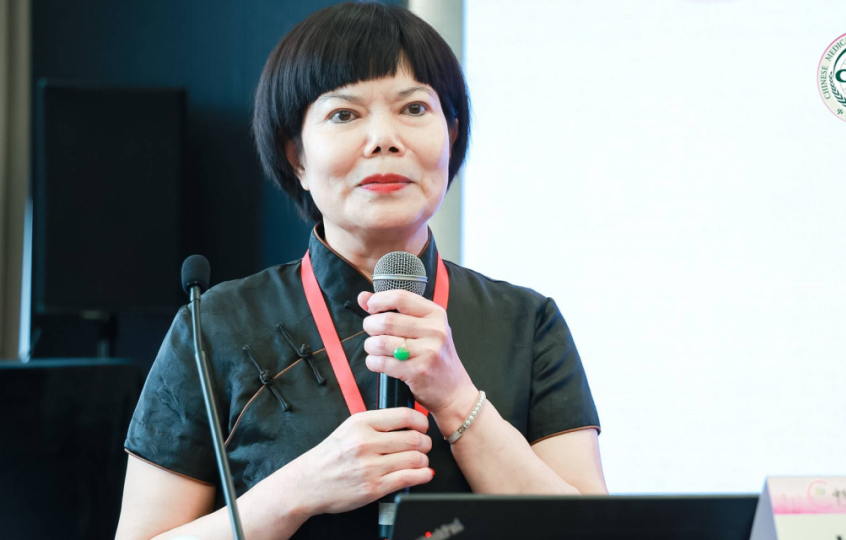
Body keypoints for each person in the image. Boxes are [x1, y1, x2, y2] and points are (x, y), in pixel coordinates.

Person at [114, 3, 605, 538]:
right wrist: (295, 491)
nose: (384, 139)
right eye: (345, 115)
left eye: (414, 108)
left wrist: (456, 399)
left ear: (451, 136)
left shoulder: (527, 323)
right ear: (297, 157)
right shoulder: (214, 325)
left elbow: (591, 533)